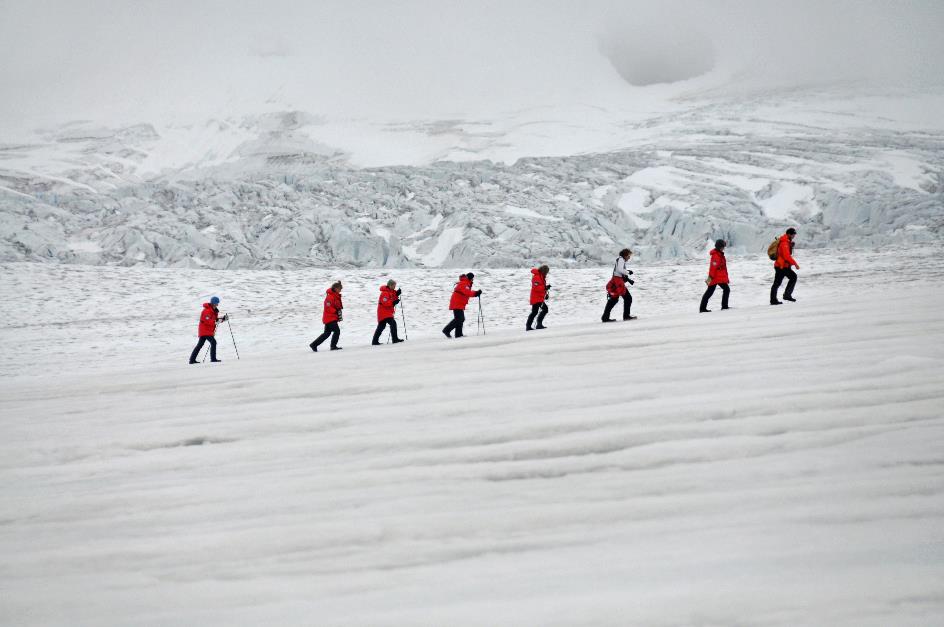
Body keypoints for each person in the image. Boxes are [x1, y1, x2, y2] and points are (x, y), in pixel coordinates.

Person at [188, 296, 226, 364]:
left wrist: (223, 319)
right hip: (205, 330)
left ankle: (192, 360)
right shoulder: (206, 311)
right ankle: (213, 359)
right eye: (216, 303)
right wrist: (217, 321)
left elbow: (215, 320)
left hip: (206, 330)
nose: (217, 304)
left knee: (200, 345)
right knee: (213, 342)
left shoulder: (212, 310)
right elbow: (208, 321)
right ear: (213, 303)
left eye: (218, 303)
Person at [442, 272, 481, 338]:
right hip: (457, 303)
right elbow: (467, 292)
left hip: (458, 303)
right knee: (459, 318)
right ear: (470, 278)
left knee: (460, 319)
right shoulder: (464, 283)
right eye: (472, 279)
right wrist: (476, 293)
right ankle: (447, 330)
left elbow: (467, 291)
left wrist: (476, 293)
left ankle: (458, 335)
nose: (473, 280)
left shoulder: (465, 283)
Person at [602, 248, 635, 322]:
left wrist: (626, 272)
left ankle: (605, 317)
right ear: (625, 255)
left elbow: (619, 270)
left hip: (616, 280)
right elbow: (620, 270)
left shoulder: (620, 259)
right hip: (618, 281)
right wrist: (628, 272)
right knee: (628, 298)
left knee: (614, 299)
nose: (629, 258)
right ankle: (626, 316)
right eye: (629, 256)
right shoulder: (621, 259)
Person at [310, 281, 344, 351]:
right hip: (330, 318)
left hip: (330, 317)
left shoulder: (334, 296)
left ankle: (314, 344)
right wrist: (336, 312)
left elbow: (337, 306)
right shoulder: (330, 296)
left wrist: (338, 313)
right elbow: (328, 307)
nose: (340, 291)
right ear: (335, 288)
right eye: (340, 289)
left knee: (327, 333)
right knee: (337, 331)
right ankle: (333, 346)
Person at [770, 228, 800, 305]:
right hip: (781, 266)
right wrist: (795, 264)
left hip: (782, 266)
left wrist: (790, 245)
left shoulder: (786, 241)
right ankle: (785, 296)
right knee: (792, 277)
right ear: (789, 234)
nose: (794, 236)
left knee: (778, 282)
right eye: (793, 234)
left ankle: (778, 298)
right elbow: (786, 256)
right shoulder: (784, 243)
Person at [700, 239, 731, 312]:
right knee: (724, 290)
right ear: (719, 247)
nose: (724, 248)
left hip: (718, 277)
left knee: (723, 290)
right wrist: (710, 279)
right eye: (723, 246)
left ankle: (724, 306)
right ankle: (724, 307)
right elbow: (713, 268)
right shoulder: (716, 256)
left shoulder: (719, 254)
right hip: (715, 277)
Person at [372, 279, 404, 345]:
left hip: (387, 312)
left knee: (381, 326)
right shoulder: (384, 293)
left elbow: (392, 297)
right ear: (390, 285)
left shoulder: (390, 292)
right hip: (384, 312)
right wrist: (394, 302)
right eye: (394, 286)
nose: (395, 287)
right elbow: (385, 303)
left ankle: (374, 341)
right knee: (393, 323)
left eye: (395, 286)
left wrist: (397, 294)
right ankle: (394, 339)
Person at [526, 265, 550, 331]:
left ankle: (529, 326)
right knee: (545, 309)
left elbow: (540, 287)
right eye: (546, 272)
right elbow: (536, 287)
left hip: (538, 297)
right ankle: (538, 324)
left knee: (535, 312)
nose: (547, 273)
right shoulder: (537, 276)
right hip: (536, 298)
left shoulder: (541, 276)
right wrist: (545, 288)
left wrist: (546, 290)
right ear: (543, 271)